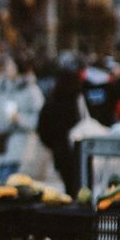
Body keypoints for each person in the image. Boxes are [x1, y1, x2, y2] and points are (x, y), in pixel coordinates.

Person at [0, 56, 45, 180]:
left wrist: (21, 119)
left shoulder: (31, 91)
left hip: (22, 146)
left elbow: (41, 119)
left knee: (11, 183)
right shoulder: (0, 90)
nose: (7, 68)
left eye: (11, 65)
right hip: (1, 147)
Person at [37, 63, 85, 195]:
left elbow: (42, 130)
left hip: (60, 153)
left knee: (69, 188)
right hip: (80, 152)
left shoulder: (51, 104)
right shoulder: (77, 102)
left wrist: (54, 145)